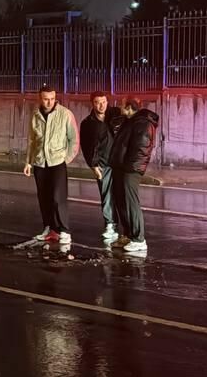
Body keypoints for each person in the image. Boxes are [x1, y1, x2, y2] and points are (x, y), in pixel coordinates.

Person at [23, 85, 79, 245]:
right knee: (44, 197)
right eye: (46, 99)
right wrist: (28, 162)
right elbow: (32, 140)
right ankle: (50, 228)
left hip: (57, 162)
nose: (49, 102)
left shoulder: (65, 114)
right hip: (40, 162)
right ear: (40, 99)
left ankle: (64, 230)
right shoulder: (35, 115)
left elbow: (74, 139)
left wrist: (65, 159)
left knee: (58, 198)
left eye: (52, 99)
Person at [108, 98, 158, 254]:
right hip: (122, 167)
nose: (119, 107)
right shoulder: (129, 121)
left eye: (122, 105)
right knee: (121, 201)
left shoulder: (143, 123)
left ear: (129, 107)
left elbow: (141, 149)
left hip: (131, 169)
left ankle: (138, 239)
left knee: (131, 202)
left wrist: (130, 168)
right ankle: (128, 235)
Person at [79, 92, 123, 243]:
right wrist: (93, 165)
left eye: (103, 101)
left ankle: (128, 229)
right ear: (92, 103)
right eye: (97, 102)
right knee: (107, 196)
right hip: (103, 164)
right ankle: (111, 225)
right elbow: (86, 146)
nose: (101, 105)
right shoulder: (87, 123)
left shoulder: (117, 115)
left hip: (120, 162)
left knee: (124, 195)